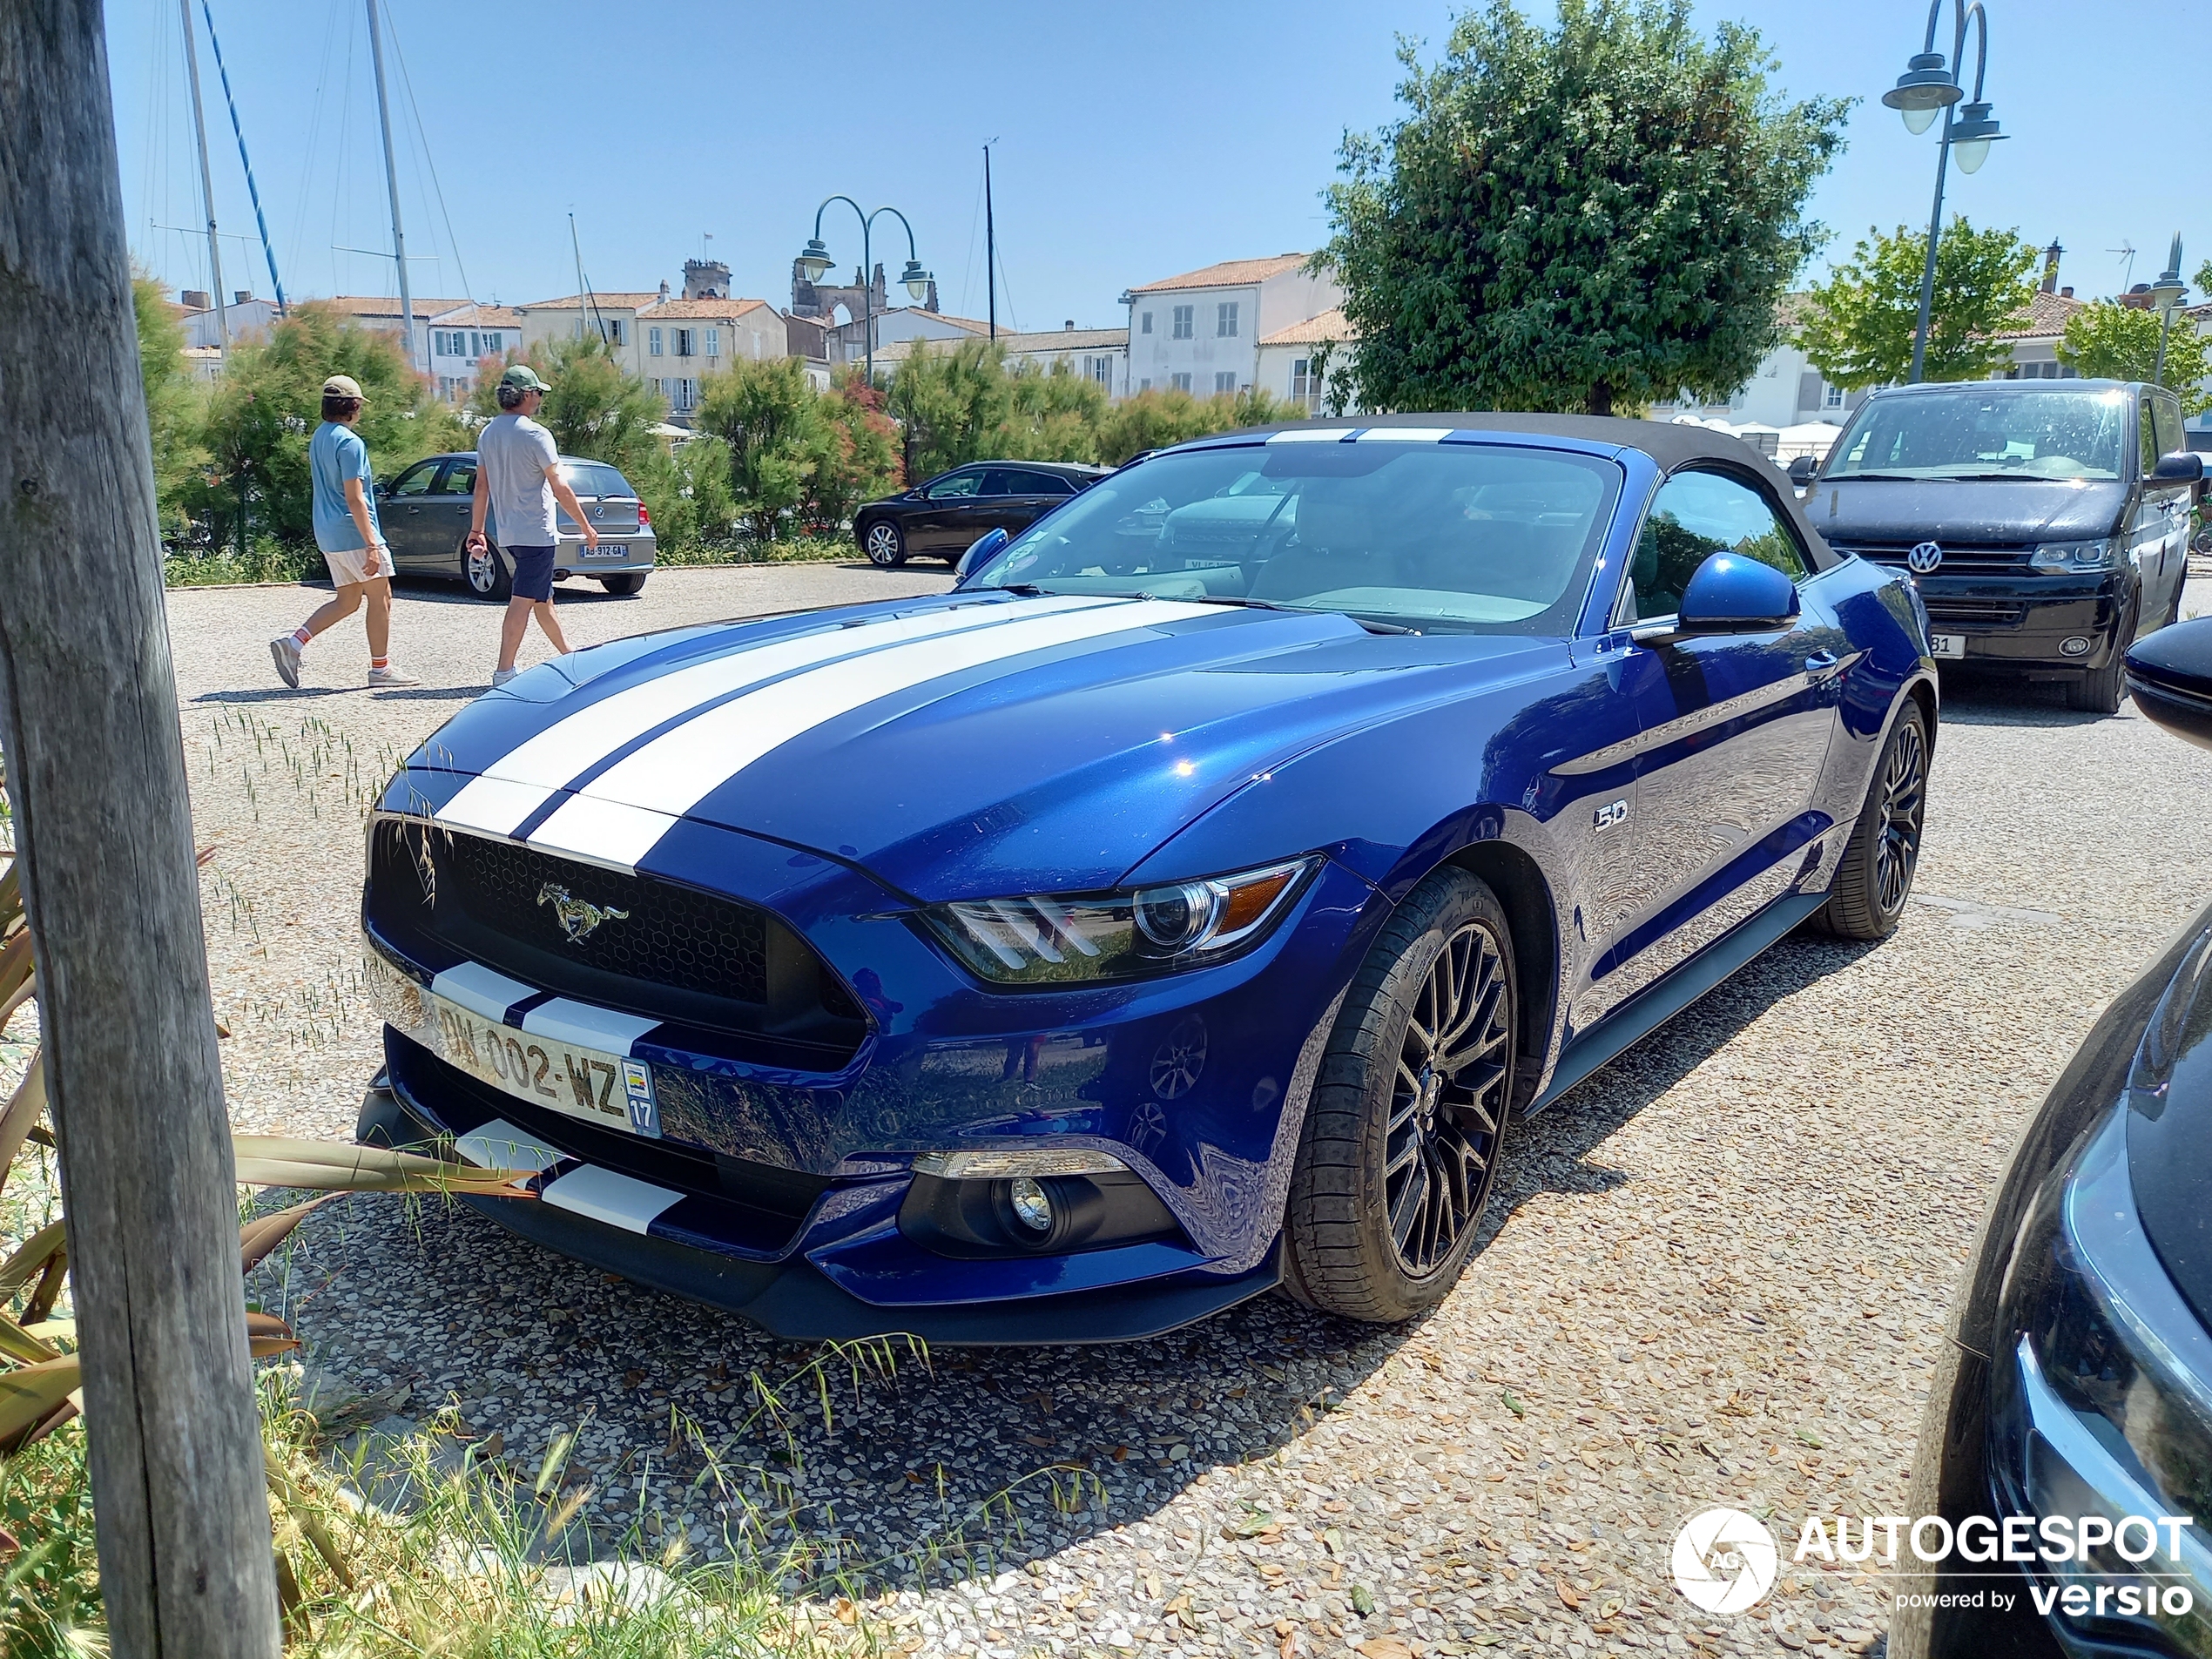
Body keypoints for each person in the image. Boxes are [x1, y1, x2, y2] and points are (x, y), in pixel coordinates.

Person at [269, 374, 419, 688]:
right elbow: (355, 497)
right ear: (352, 407)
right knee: (382, 597)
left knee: (348, 600)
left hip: (328, 532)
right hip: (353, 532)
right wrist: (373, 545)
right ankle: (381, 670)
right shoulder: (350, 442)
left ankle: (293, 645)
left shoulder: (320, 437)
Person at [467, 364, 597, 687]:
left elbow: (481, 486)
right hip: (536, 531)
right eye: (537, 393)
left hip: (510, 531)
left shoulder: (488, 433)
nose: (539, 399)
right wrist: (585, 525)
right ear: (526, 395)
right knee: (522, 600)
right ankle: (504, 671)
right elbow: (559, 485)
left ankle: (570, 658)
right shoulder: (536, 434)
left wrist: (477, 530)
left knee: (542, 600)